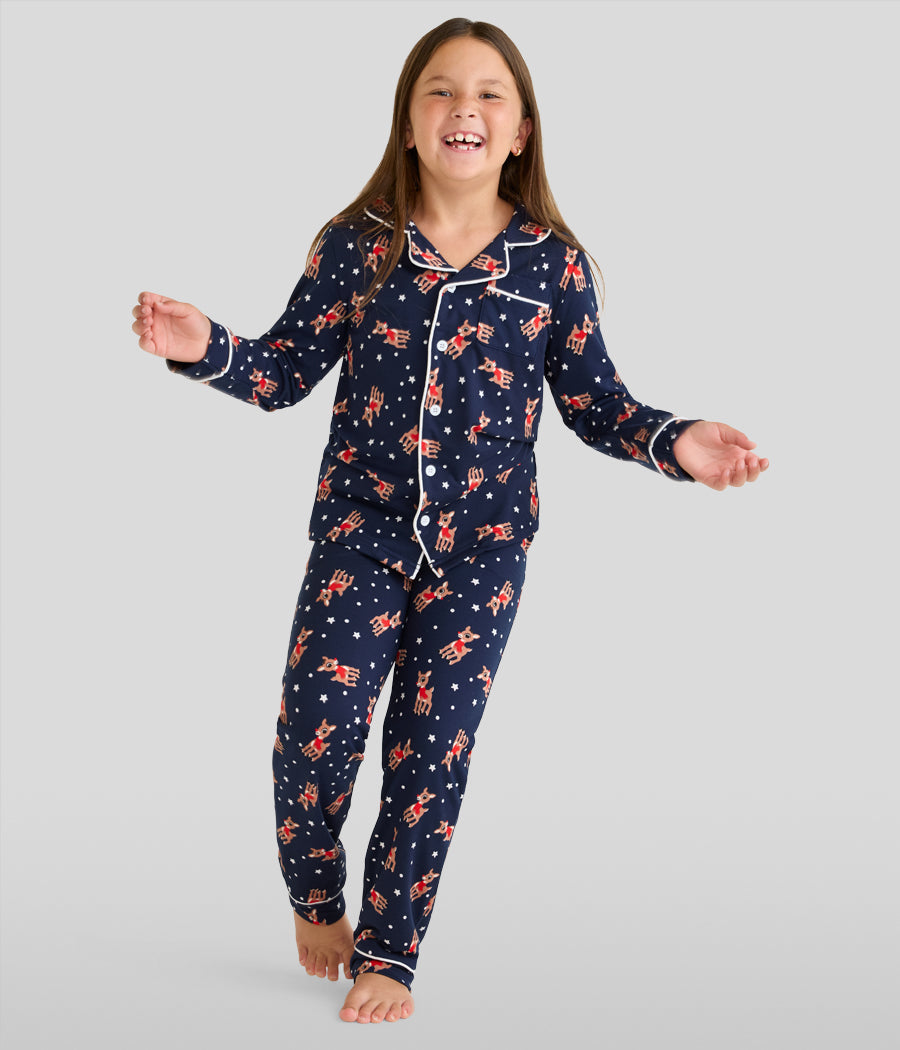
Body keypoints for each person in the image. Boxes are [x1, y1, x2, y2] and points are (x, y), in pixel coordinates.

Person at [131, 17, 768, 1025]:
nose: (463, 108)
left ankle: (391, 951)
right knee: (315, 734)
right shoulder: (357, 246)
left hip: (483, 553)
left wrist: (675, 441)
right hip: (362, 533)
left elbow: (595, 404)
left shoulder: (552, 266)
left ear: (520, 131)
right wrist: (203, 345)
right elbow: (282, 372)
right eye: (440, 90)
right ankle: (316, 898)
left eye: (488, 94)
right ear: (409, 121)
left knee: (430, 755)